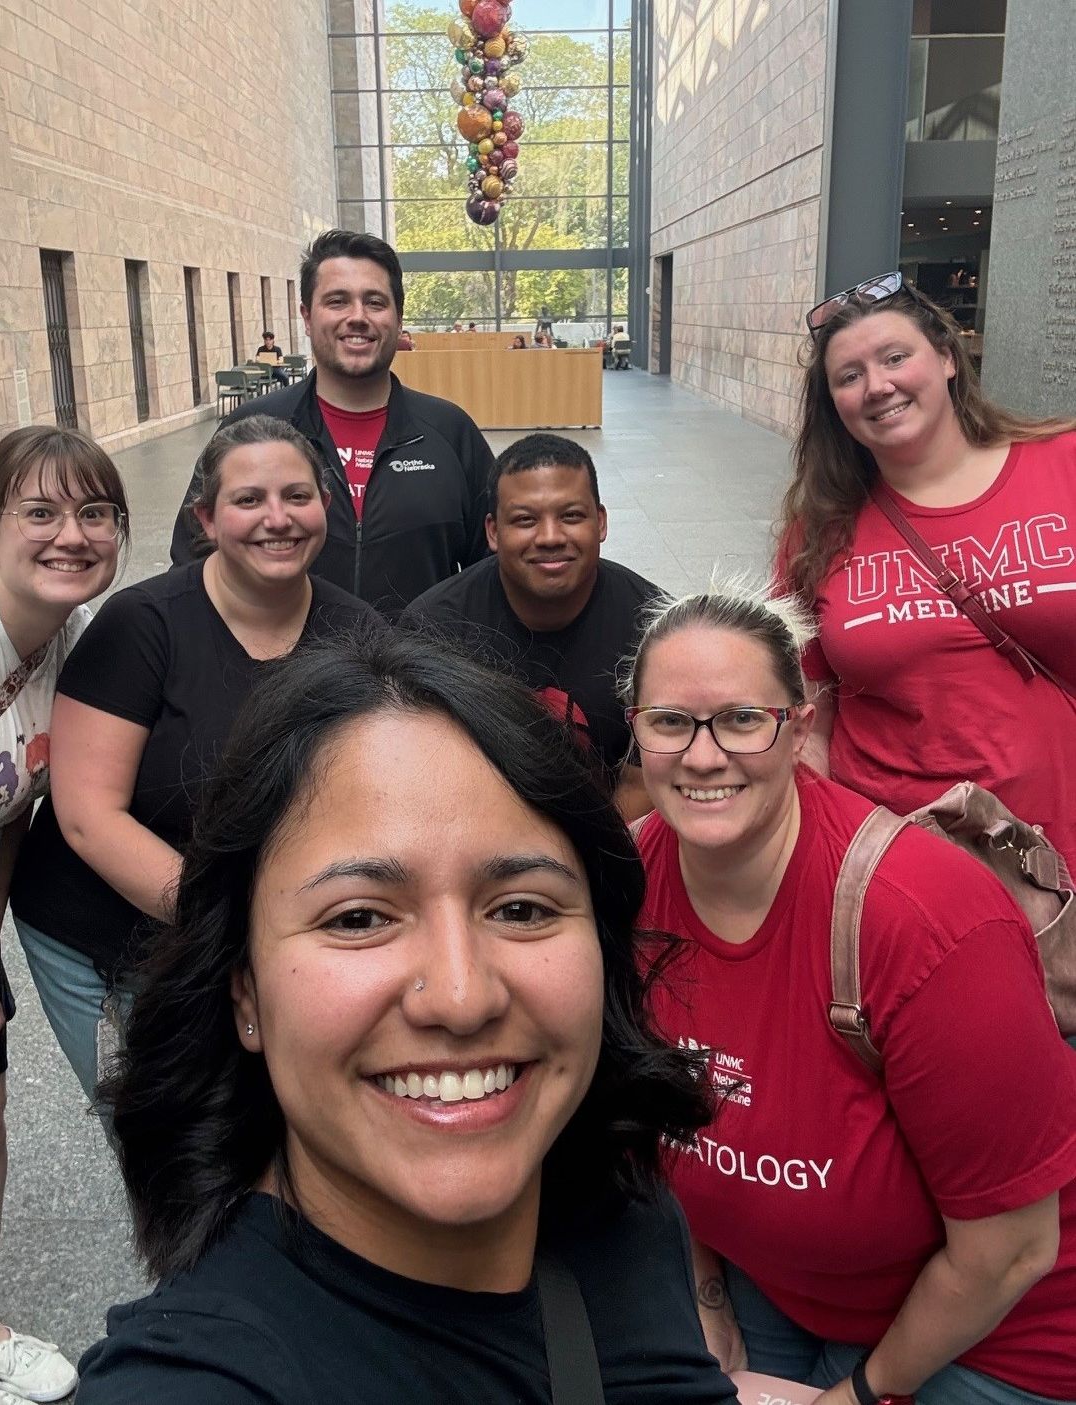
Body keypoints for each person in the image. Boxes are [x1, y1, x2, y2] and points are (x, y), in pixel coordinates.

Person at [74, 628, 736, 1405]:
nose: (461, 996)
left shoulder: (626, 1211)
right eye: (359, 918)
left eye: (521, 908)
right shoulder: (192, 1379)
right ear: (244, 990)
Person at [625, 581, 1076, 1405]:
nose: (702, 755)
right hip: (782, 1283)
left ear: (800, 729)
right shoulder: (622, 884)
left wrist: (860, 1395)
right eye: (670, 721)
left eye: (741, 719)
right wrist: (704, 1290)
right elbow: (647, 1113)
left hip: (994, 1327)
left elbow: (1012, 1249)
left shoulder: (925, 922)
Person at [10, 417, 377, 1104]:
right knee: (161, 1127)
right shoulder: (142, 626)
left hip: (263, 934)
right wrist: (238, 925)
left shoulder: (358, 632)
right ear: (206, 519)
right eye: (248, 499)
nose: (277, 518)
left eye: (297, 496)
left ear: (326, 506)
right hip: (109, 934)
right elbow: (89, 818)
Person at [0, 425, 128, 1405]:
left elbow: (17, 811)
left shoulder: (61, 641)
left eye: (94, 512)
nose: (70, 534)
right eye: (39, 512)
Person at [776, 271, 1076, 869]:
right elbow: (811, 714)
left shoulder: (1063, 464)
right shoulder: (817, 534)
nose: (877, 386)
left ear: (946, 358)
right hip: (901, 860)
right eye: (849, 376)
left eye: (895, 357)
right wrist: (827, 852)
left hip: (1060, 842)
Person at [170, 231, 495, 614]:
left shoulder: (451, 434)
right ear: (307, 316)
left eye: (375, 302)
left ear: (398, 318)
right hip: (279, 655)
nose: (357, 317)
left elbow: (494, 572)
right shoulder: (249, 430)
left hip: (419, 654)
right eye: (337, 301)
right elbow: (192, 566)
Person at [405, 435, 662, 820]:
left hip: (612, 837)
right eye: (525, 520)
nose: (550, 537)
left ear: (601, 522)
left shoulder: (655, 630)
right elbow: (420, 773)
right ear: (493, 532)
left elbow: (643, 782)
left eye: (571, 516)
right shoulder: (433, 627)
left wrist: (590, 855)